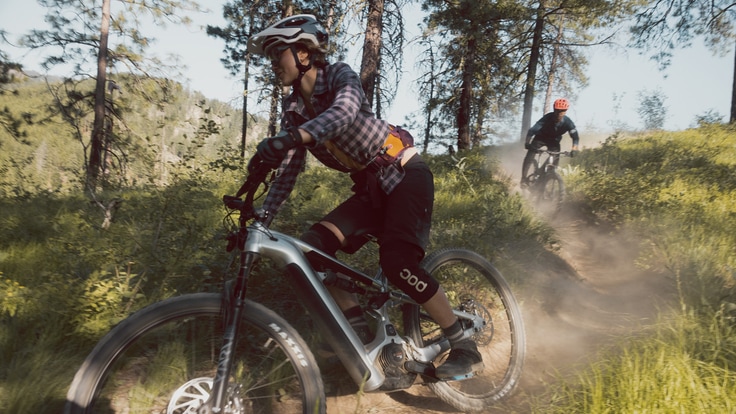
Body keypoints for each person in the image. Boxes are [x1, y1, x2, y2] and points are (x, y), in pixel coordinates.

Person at [245, 14, 483, 381]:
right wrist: (261, 216)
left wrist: (293, 137)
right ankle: (358, 335)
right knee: (310, 252)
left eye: (277, 54)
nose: (273, 64)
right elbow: (289, 172)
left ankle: (463, 341)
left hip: (405, 174)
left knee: (398, 264)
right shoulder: (293, 111)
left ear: (304, 53)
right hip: (371, 188)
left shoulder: (340, 75)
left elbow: (343, 114)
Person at [521, 98, 580, 186]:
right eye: (557, 111)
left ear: (565, 111)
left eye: (562, 111)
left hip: (554, 141)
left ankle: (546, 178)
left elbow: (575, 137)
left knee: (554, 162)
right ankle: (523, 179)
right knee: (530, 155)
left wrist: (574, 149)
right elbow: (532, 130)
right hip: (540, 138)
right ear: (554, 109)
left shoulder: (568, 122)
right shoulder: (547, 118)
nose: (559, 113)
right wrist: (527, 143)